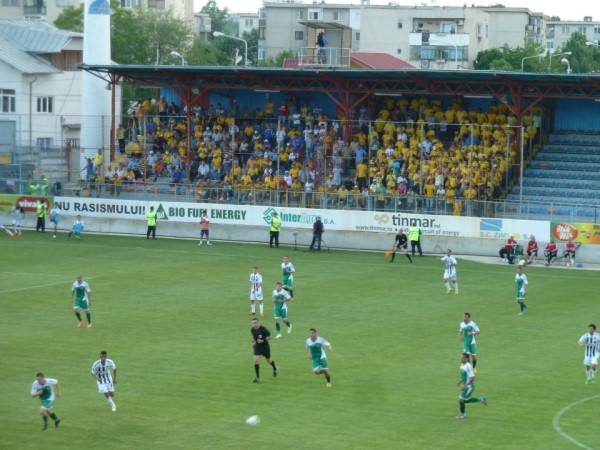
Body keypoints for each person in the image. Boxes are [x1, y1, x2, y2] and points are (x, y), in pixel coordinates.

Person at [456, 352, 487, 420]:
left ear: (467, 359)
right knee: (464, 401)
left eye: (463, 357)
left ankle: (463, 415)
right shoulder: (462, 365)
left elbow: (472, 378)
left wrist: (465, 385)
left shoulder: (468, 366)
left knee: (461, 400)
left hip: (469, 386)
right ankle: (482, 399)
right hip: (467, 386)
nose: (461, 358)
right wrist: (460, 381)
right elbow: (465, 376)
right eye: (461, 357)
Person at [251, 317, 278, 383]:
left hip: (265, 347)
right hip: (257, 347)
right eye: (253, 323)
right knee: (255, 361)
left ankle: (275, 368)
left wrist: (263, 340)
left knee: (268, 360)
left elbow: (270, 337)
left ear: (258, 322)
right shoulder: (252, 330)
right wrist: (253, 343)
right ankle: (258, 377)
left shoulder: (263, 329)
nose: (254, 324)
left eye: (255, 323)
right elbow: (253, 336)